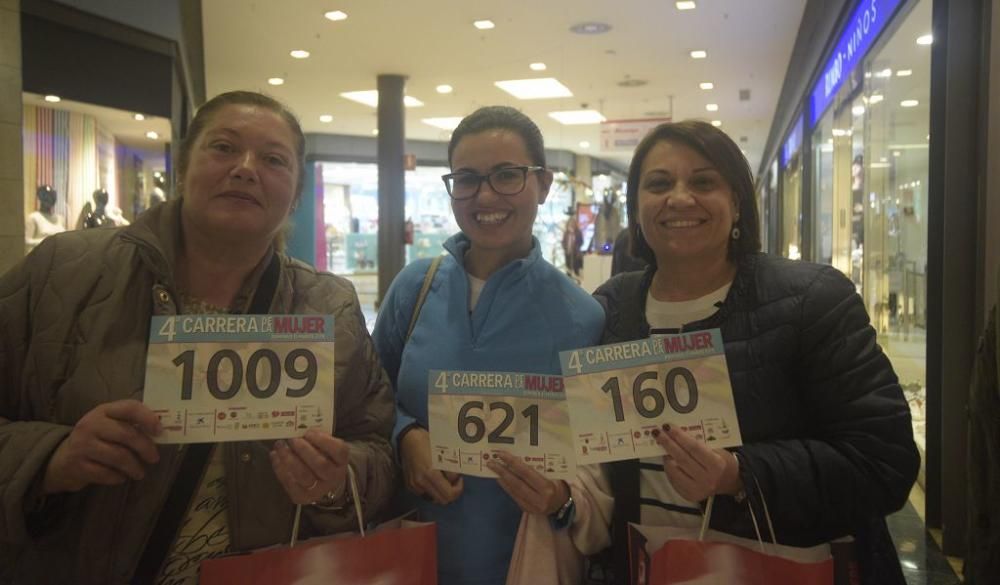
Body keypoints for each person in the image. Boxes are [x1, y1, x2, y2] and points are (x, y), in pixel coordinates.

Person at [0, 91, 395, 585]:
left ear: (294, 193)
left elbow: (376, 448)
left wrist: (338, 482)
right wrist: (50, 459)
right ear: (184, 166)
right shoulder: (62, 273)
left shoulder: (329, 306)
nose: (246, 169)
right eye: (223, 147)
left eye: (274, 159)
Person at [573, 120, 919, 584]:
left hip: (783, 568)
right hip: (648, 565)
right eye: (658, 183)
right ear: (637, 207)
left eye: (703, 181)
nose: (679, 197)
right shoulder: (612, 307)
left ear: (737, 202)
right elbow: (601, 458)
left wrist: (739, 475)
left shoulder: (811, 299)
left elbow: (885, 462)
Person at [372, 106, 604, 585]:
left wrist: (560, 497)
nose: (485, 195)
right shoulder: (413, 289)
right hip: (408, 555)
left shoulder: (583, 317)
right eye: (468, 179)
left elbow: (596, 467)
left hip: (524, 563)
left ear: (543, 183)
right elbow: (368, 398)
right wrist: (405, 435)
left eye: (506, 176)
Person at [25, 185, 65, 252]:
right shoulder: (33, 218)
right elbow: (26, 241)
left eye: (52, 197)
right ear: (41, 198)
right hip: (41, 258)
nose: (50, 199)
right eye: (47, 197)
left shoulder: (60, 219)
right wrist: (48, 242)